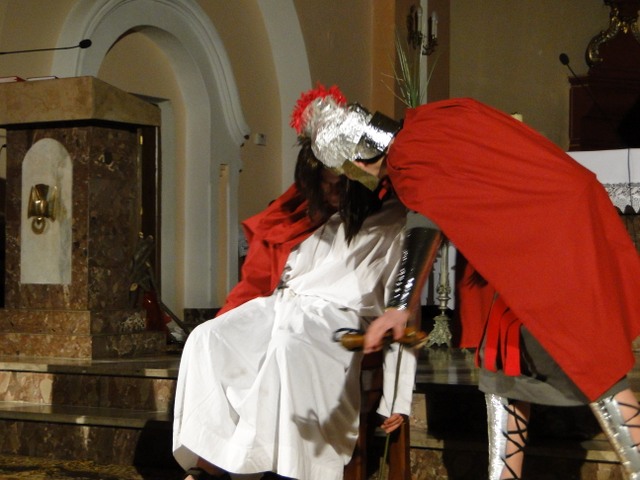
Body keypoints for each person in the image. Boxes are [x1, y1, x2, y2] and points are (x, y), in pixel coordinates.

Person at [292, 89, 640, 480]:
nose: (358, 179)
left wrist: (399, 306)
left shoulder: (409, 157)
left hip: (548, 245)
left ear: (358, 158)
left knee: (593, 365)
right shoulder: (431, 119)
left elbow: (424, 220)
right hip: (526, 247)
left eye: (349, 172)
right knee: (503, 365)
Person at [173, 136, 416, 480]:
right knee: (207, 337)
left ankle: (292, 470)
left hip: (342, 318)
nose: (330, 193)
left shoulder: (392, 220)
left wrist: (396, 398)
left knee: (289, 346)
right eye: (323, 184)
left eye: (338, 184)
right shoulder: (311, 215)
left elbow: (403, 308)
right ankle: (210, 464)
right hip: (284, 305)